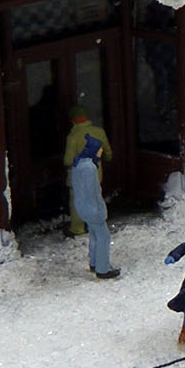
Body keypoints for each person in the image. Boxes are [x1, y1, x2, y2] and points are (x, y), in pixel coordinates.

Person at [71, 135, 119, 279]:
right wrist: (101, 210)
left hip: (81, 206)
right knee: (103, 236)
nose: (101, 153)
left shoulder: (78, 164)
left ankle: (94, 262)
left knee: (93, 234)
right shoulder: (90, 168)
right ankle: (103, 268)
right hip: (92, 208)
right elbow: (94, 193)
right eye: (99, 150)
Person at [61, 106, 112, 236]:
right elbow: (108, 153)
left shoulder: (73, 136)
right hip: (95, 173)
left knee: (77, 202)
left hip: (78, 176)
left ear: (73, 120)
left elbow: (68, 160)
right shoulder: (99, 132)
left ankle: (77, 228)